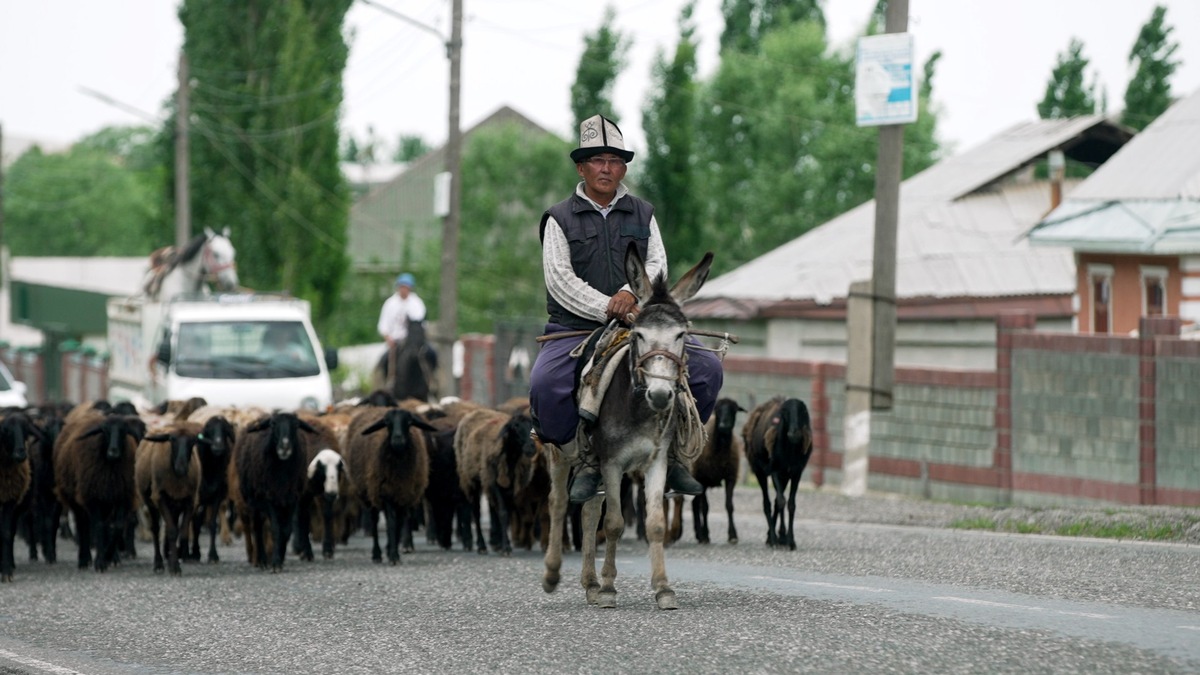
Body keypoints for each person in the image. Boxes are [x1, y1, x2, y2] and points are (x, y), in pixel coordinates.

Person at [528, 113, 723, 504]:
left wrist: (630, 296)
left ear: (623, 167)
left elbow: (657, 264)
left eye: (614, 160)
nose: (606, 168)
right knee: (545, 388)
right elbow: (559, 279)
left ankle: (676, 453)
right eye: (597, 160)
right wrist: (609, 306)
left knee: (707, 370)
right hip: (576, 328)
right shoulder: (558, 219)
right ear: (581, 167)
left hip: (641, 320)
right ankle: (585, 461)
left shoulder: (642, 213)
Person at [376, 272, 434, 375]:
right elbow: (383, 325)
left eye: (406, 287)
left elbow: (421, 324)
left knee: (432, 354)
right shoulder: (390, 304)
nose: (404, 290)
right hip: (396, 341)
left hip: (414, 341)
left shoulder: (417, 303)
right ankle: (386, 383)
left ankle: (433, 380)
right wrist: (388, 338)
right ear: (398, 287)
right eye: (402, 287)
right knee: (384, 361)